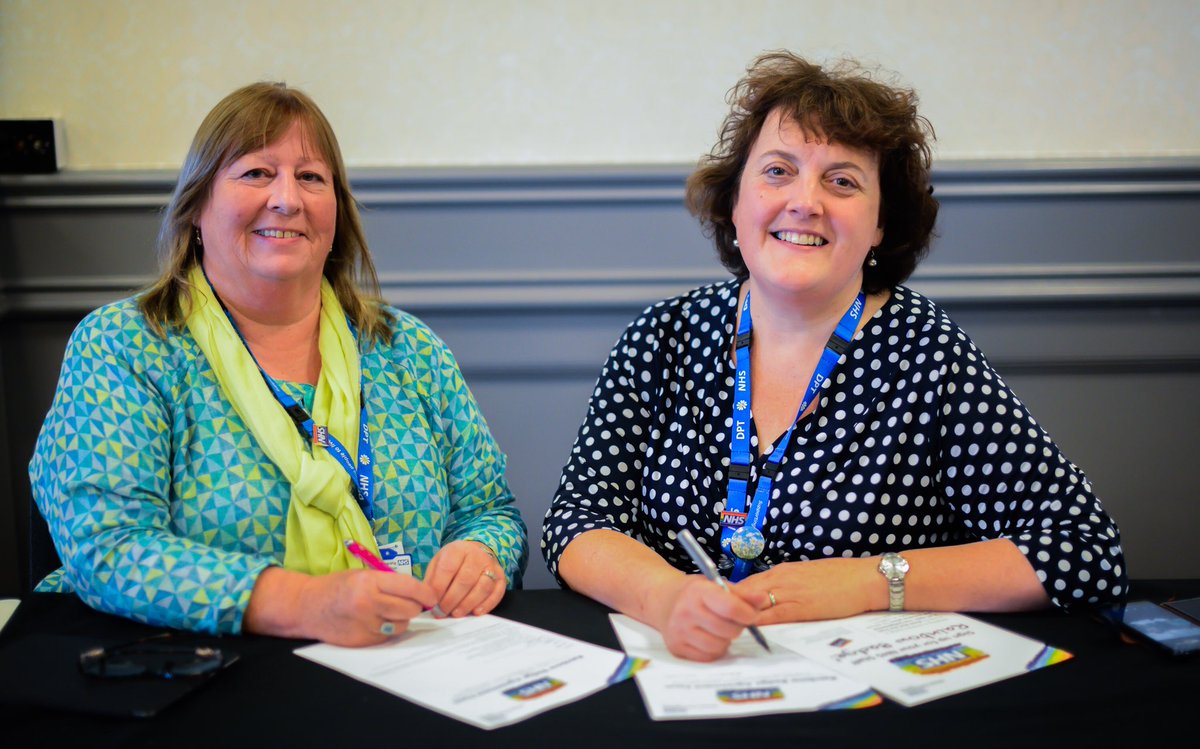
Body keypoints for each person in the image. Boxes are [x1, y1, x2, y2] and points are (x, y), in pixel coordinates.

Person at [541, 52, 1126, 662]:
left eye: (842, 181)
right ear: (735, 201)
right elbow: (579, 520)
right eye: (777, 171)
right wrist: (666, 597)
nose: (805, 201)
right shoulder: (663, 335)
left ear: (879, 225)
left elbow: (1082, 551)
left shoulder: (926, 352)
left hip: (868, 699)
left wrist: (868, 583)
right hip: (682, 673)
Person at [30, 82, 528, 646]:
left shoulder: (409, 349)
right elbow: (109, 546)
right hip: (179, 672)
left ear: (335, 211)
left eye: (311, 178)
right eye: (256, 174)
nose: (287, 199)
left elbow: (492, 511)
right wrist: (304, 603)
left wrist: (481, 556)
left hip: (401, 659)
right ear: (196, 206)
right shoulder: (124, 347)